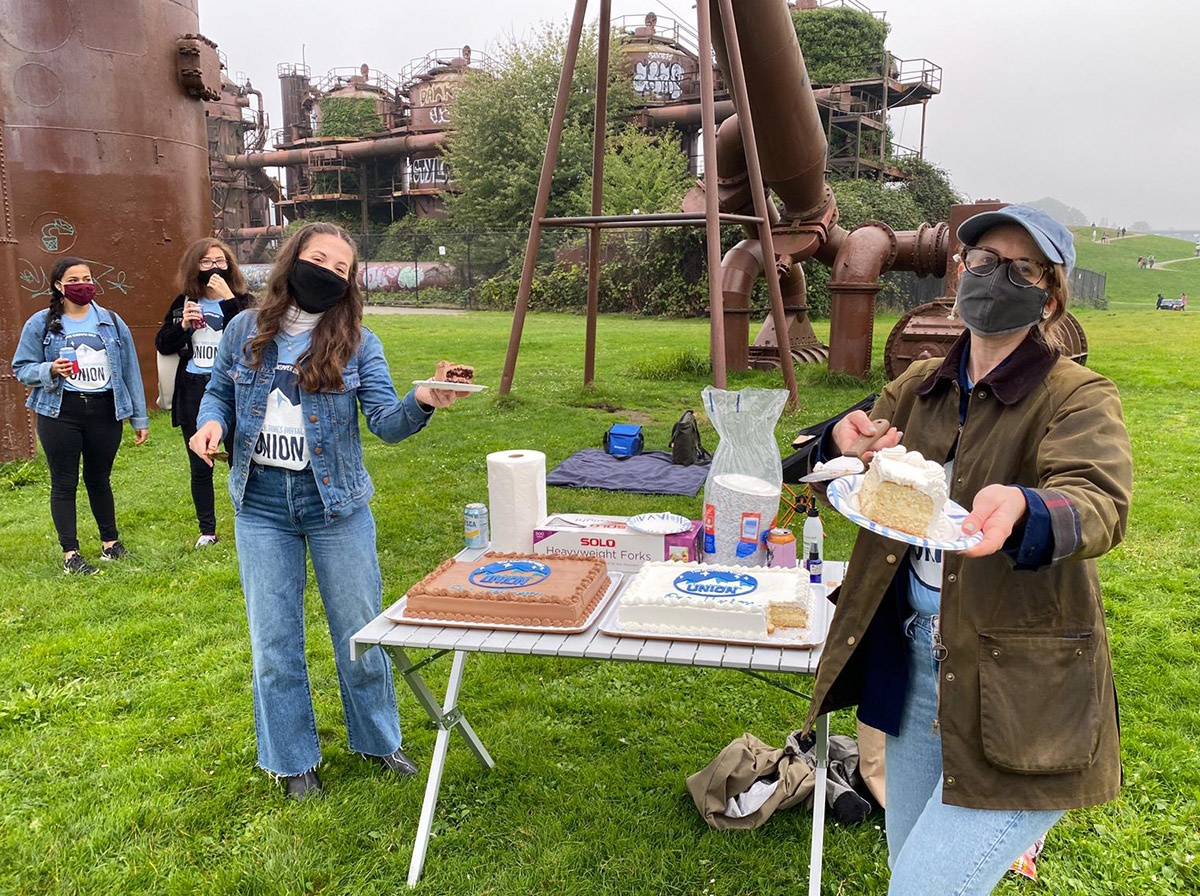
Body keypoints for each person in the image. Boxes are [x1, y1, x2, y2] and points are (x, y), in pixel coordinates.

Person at [804, 205, 1132, 895]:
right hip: (915, 668)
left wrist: (1027, 508)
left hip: (1022, 694)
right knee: (914, 874)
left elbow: (1100, 502)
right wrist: (842, 440)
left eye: (1020, 269)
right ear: (960, 273)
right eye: (983, 263)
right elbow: (815, 452)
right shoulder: (924, 384)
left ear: (1050, 292)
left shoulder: (1076, 395)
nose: (993, 278)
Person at [189, 222, 472, 801]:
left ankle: (377, 739)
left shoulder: (360, 343)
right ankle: (292, 760)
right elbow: (218, 390)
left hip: (337, 507)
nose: (328, 273)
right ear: (293, 260)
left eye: (341, 269)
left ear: (348, 285)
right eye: (319, 260)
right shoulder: (244, 328)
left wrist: (421, 400)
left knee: (361, 633)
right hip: (261, 506)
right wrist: (211, 422)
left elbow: (387, 426)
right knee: (273, 642)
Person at [12, 257, 149, 574]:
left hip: (105, 410)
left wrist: (139, 418)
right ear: (59, 286)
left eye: (87, 278)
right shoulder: (41, 323)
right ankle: (71, 555)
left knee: (100, 478)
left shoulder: (112, 322)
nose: (82, 284)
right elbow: (21, 368)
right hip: (60, 411)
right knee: (64, 482)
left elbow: (130, 371)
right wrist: (49, 369)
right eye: (73, 280)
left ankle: (110, 545)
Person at [155, 238, 252, 547]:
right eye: (207, 262)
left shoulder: (243, 301)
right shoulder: (184, 300)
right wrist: (183, 325)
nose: (214, 268)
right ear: (195, 266)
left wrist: (228, 301)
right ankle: (207, 531)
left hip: (235, 386)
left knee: (242, 460)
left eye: (220, 261)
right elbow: (163, 344)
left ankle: (247, 521)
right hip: (194, 388)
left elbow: (255, 338)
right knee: (201, 464)